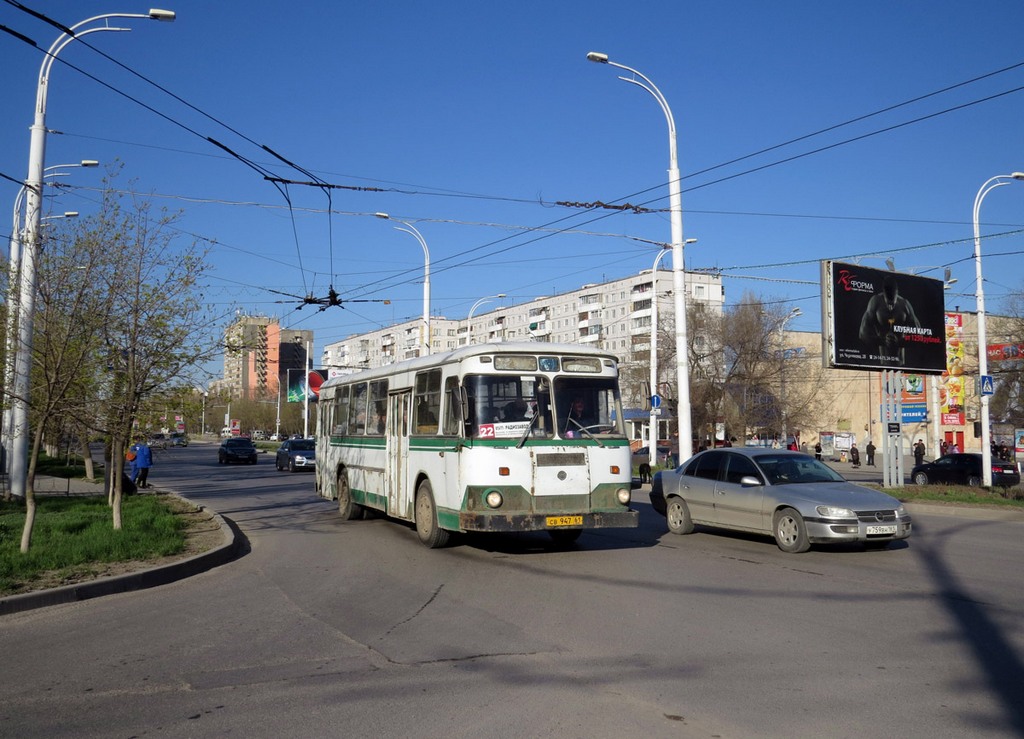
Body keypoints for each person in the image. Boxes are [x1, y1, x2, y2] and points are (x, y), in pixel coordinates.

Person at [858, 274, 922, 366]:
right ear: (884, 293)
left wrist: (900, 342)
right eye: (888, 303)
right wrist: (883, 341)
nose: (890, 307)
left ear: (897, 293)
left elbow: (919, 336)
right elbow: (862, 333)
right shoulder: (875, 302)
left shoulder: (905, 304)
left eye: (893, 303)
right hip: (882, 362)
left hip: (901, 363)